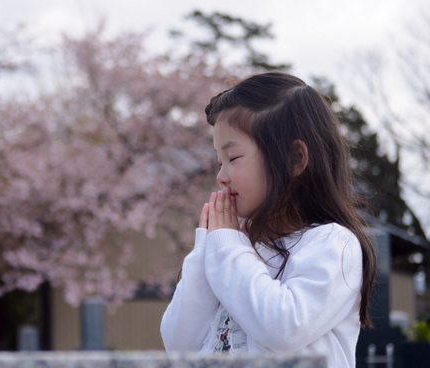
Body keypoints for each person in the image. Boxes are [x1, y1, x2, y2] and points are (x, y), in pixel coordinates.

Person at [160, 71, 377, 368]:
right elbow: (179, 344)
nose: (220, 176)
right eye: (218, 161)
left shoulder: (333, 244)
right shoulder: (234, 247)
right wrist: (207, 248)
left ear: (294, 159)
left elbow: (285, 328)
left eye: (233, 158)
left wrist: (227, 248)